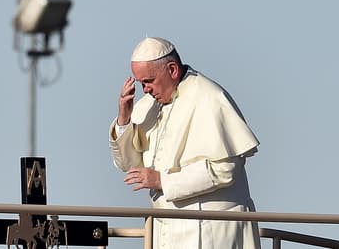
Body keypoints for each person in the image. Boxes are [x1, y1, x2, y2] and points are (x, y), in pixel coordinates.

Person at [109, 37, 260, 249]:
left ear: (172, 70)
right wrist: (124, 117)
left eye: (149, 81)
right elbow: (129, 164)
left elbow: (226, 169)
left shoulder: (210, 97)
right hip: (165, 230)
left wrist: (163, 181)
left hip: (213, 232)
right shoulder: (149, 105)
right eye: (141, 83)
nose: (145, 90)